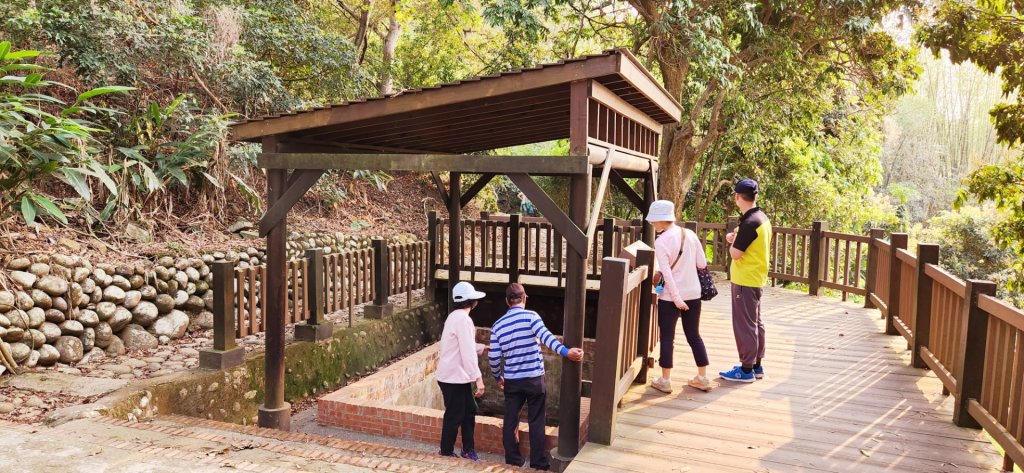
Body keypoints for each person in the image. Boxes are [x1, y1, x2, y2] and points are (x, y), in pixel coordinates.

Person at [488, 283, 584, 470]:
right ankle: (538, 462)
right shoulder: (532, 317)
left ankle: (514, 461)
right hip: (534, 379)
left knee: (510, 420)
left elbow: (493, 357)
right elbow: (547, 337)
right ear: (524, 299)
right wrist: (566, 352)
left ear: (507, 302)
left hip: (512, 381)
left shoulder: (497, 326)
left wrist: (498, 377)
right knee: (537, 420)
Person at [645, 200, 713, 393]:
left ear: (660, 220)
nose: (652, 224)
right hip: (693, 293)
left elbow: (666, 274)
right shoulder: (690, 234)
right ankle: (702, 377)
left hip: (670, 297)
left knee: (667, 338)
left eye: (653, 221)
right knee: (694, 335)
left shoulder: (661, 242)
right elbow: (701, 263)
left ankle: (665, 381)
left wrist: (676, 299)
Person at [719, 179, 772, 383]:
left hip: (745, 280)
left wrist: (734, 242)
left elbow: (735, 254)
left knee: (744, 324)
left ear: (737, 197)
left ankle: (746, 368)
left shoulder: (749, 222)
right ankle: (756, 365)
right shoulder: (761, 218)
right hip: (757, 277)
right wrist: (736, 237)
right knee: (755, 322)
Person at [436, 281, 489, 461]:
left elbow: (464, 346)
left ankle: (467, 449)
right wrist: (479, 380)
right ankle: (446, 452)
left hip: (454, 376)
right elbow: (467, 352)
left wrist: (482, 347)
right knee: (456, 414)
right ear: (472, 301)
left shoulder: (454, 317)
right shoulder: (464, 320)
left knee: (468, 411)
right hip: (454, 377)